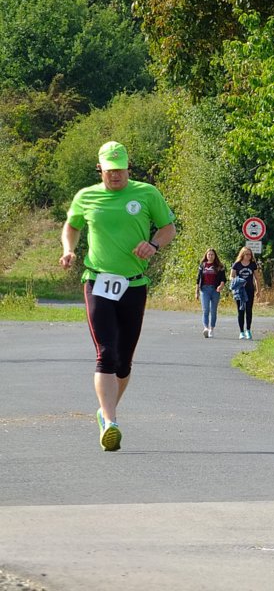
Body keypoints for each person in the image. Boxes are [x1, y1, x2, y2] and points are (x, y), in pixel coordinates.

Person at [59, 141, 176, 452]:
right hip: (97, 281)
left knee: (124, 361)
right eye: (110, 170)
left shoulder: (147, 193)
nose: (116, 176)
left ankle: (104, 410)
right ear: (100, 169)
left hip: (134, 283)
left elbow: (168, 228)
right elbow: (71, 227)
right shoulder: (86, 196)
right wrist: (68, 250)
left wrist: (154, 244)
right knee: (106, 353)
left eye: (120, 169)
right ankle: (110, 422)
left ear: (128, 167)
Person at [230, 246, 261, 339]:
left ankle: (248, 330)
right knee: (240, 310)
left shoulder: (252, 264)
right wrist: (237, 280)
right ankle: (241, 331)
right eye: (247, 254)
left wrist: (258, 290)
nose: (249, 256)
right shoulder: (237, 264)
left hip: (250, 290)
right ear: (242, 254)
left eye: (250, 254)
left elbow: (257, 278)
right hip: (239, 290)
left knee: (248, 310)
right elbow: (231, 276)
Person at [195, 248, 227, 338]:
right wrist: (196, 291)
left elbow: (223, 279)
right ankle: (205, 328)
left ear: (215, 256)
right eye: (209, 254)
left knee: (213, 310)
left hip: (215, 290)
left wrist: (221, 285)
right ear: (206, 255)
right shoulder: (202, 265)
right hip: (204, 289)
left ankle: (211, 329)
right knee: (205, 310)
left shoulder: (219, 266)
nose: (210, 256)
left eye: (212, 254)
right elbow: (198, 279)